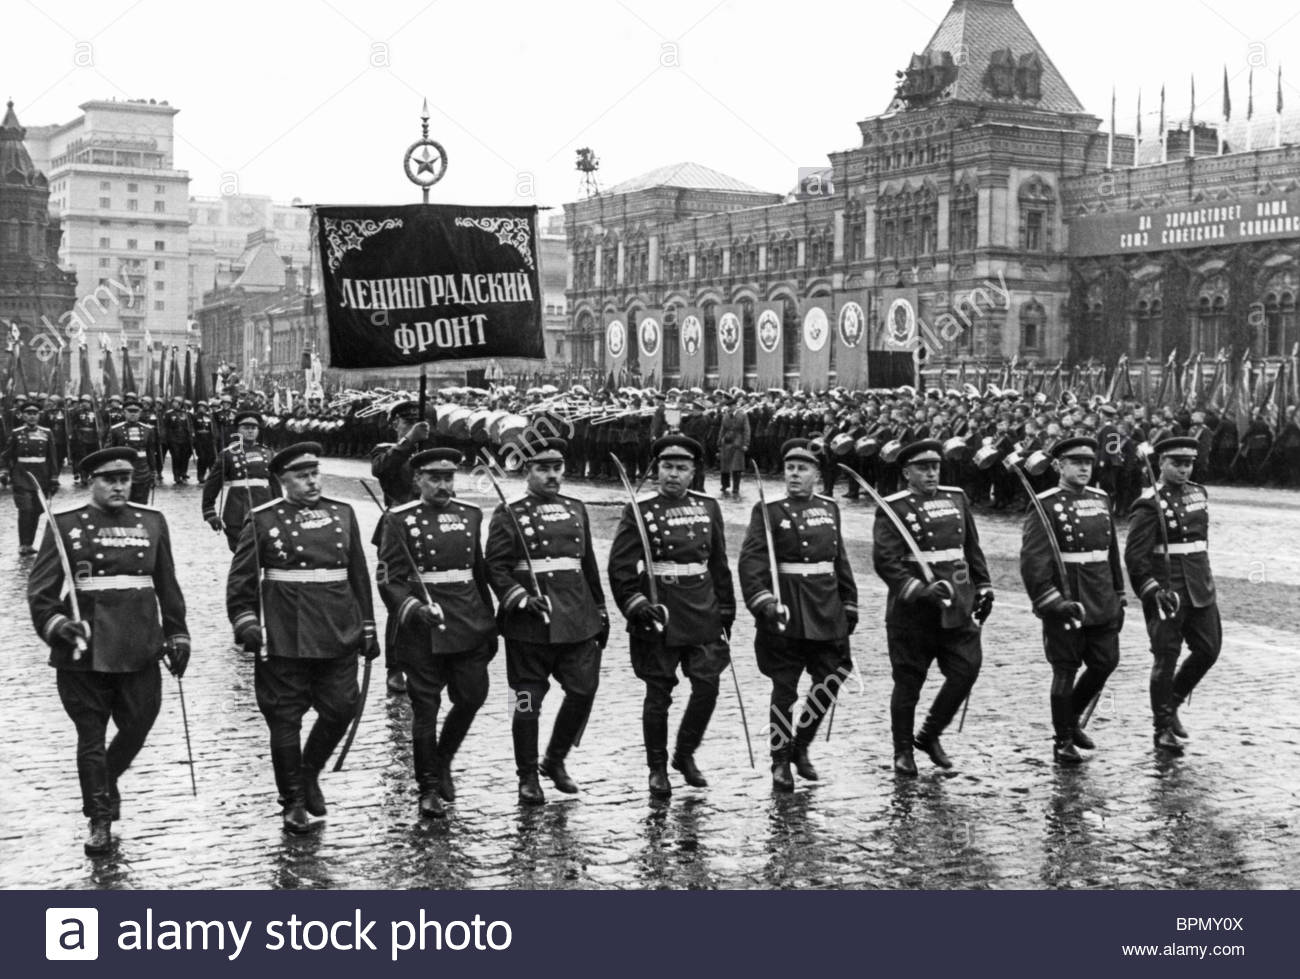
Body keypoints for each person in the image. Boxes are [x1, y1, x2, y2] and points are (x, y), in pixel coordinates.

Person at [27, 447, 190, 855]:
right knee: (91, 737)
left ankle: (106, 779)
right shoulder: (66, 525)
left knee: (140, 721)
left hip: (139, 642)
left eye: (125, 479)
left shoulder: (152, 522)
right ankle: (99, 818)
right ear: (90, 482)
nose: (119, 486)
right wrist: (58, 625)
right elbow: (41, 592)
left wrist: (178, 633)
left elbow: (167, 583)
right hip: (85, 648)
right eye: (109, 479)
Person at [226, 441, 378, 833]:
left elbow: (358, 574)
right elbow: (241, 582)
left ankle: (309, 772)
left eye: (315, 474)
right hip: (285, 634)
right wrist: (246, 622)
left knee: (342, 707)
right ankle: (292, 799)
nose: (312, 482)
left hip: (338, 630)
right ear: (282, 481)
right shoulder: (263, 519)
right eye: (301, 476)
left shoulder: (342, 513)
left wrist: (368, 626)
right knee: (284, 718)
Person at [607, 434, 735, 798]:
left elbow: (719, 564)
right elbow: (620, 566)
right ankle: (658, 768)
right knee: (658, 692)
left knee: (707, 685)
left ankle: (685, 753)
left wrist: (726, 611)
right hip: (659, 610)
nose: (673, 475)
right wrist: (634, 604)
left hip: (701, 609)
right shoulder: (641, 509)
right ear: (657, 470)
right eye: (667, 467)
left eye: (681, 468)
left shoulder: (709, 507)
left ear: (694, 471)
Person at [484, 438, 609, 805]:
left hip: (576, 617)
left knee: (584, 690)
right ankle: (526, 777)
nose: (552, 475)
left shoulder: (576, 508)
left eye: (557, 468)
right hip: (529, 624)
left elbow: (587, 564)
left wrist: (600, 609)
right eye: (542, 468)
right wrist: (520, 598)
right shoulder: (510, 512)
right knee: (525, 701)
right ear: (527, 471)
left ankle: (554, 760)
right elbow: (495, 567)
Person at [377, 448, 497, 819]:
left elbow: (478, 571)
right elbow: (389, 580)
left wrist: (489, 619)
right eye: (435, 478)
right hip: (422, 630)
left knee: (473, 696)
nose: (444, 485)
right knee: (425, 708)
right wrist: (413, 609)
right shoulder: (398, 520)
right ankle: (428, 787)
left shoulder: (470, 515)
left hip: (467, 621)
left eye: (449, 478)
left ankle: (443, 758)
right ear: (418, 481)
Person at [738, 438, 858, 791]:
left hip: (825, 606)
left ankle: (801, 745)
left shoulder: (830, 508)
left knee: (832, 678)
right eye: (790, 468)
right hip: (786, 608)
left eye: (802, 468)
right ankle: (779, 760)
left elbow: (840, 558)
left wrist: (849, 601)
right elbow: (751, 562)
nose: (794, 474)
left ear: (817, 475)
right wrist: (763, 602)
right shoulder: (769, 510)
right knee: (784, 689)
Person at [873, 439, 994, 776]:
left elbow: (970, 547)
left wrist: (982, 586)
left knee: (966, 670)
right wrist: (920, 590)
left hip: (956, 605)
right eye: (922, 468)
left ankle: (929, 735)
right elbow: (886, 562)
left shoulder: (956, 498)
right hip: (913, 612)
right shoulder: (893, 507)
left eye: (935, 467)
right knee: (909, 682)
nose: (930, 473)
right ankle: (902, 751)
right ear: (906, 472)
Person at [1020, 436, 1127, 765]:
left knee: (1105, 661)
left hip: (1101, 595)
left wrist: (1119, 594)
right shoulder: (1046, 503)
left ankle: (1071, 717)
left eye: (1088, 462)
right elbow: (1033, 562)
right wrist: (1051, 600)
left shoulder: (1100, 498)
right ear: (1058, 466)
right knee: (1065, 669)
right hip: (1067, 598)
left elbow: (1111, 552)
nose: (1084, 467)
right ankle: (1063, 739)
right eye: (1075, 462)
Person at [1124, 437, 1220, 756]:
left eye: (1188, 463)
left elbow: (1200, 542)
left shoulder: (1198, 493)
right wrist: (1152, 590)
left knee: (1208, 649)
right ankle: (1162, 727)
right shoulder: (1148, 502)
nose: (1183, 469)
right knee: (1166, 656)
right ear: (1161, 464)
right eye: (1176, 463)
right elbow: (1135, 557)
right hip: (1168, 590)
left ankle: (1174, 701)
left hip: (1199, 584)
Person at [370, 399, 432, 694]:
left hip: (430, 528)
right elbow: (382, 469)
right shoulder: (386, 450)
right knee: (398, 595)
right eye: (406, 422)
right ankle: (395, 666)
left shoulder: (431, 454)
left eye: (417, 422)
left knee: (429, 591)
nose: (412, 426)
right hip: (397, 529)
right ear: (395, 424)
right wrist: (409, 441)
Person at [202, 410, 280, 552]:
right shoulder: (228, 454)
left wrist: (282, 508)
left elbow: (275, 484)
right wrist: (209, 513)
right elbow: (212, 485)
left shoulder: (268, 453)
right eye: (246, 428)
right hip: (238, 509)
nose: (250, 431)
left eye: (253, 428)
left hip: (265, 506)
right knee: (242, 551)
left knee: (269, 549)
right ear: (237, 430)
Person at [1, 400, 57, 554]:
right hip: (22, 476)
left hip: (42, 477)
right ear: (22, 416)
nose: (32, 417)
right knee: (25, 509)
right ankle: (23, 544)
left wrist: (54, 477)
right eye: (28, 414)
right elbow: (6, 456)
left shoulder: (47, 433)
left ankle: (30, 543)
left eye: (35, 414)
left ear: (39, 416)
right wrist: (4, 471)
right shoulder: (16, 433)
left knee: (37, 510)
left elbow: (52, 457)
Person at [106, 396, 158, 504]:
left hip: (142, 472)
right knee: (123, 502)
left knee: (142, 503)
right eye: (130, 411)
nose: (133, 414)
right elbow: (108, 452)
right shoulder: (116, 430)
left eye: (136, 412)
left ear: (140, 413)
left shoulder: (148, 430)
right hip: (123, 470)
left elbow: (150, 452)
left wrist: (153, 471)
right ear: (124, 412)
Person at [717, 393, 750, 497]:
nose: (730, 408)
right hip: (726, 441)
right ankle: (725, 485)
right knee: (724, 466)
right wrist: (719, 441)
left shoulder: (743, 415)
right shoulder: (726, 415)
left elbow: (746, 430)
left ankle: (736, 487)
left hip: (738, 442)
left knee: (737, 467)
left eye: (732, 406)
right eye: (729, 406)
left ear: (736, 406)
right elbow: (722, 429)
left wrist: (746, 443)